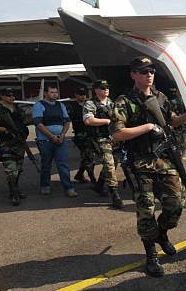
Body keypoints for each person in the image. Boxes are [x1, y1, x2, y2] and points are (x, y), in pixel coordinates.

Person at [110, 56, 186, 277]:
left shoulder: (160, 97)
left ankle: (162, 233)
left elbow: (172, 121)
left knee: (176, 203)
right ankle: (151, 255)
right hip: (141, 162)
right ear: (133, 74)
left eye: (152, 71)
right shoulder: (124, 101)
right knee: (146, 211)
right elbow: (117, 134)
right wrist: (146, 127)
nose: (149, 75)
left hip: (164, 160)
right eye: (143, 71)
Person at [0, 87, 30, 206]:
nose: (12, 97)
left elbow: (24, 124)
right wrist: (2, 129)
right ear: (2, 97)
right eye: (8, 95)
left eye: (13, 95)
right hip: (6, 144)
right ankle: (14, 194)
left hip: (19, 144)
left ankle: (15, 189)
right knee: (11, 171)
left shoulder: (19, 110)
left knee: (18, 170)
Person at [84, 80, 123, 209]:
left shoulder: (113, 103)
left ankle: (99, 185)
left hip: (115, 138)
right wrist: (107, 121)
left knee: (114, 162)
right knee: (109, 164)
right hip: (101, 138)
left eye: (107, 87)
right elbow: (88, 120)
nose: (106, 89)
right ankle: (115, 195)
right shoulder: (91, 104)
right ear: (96, 90)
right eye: (102, 87)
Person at [32, 86, 77, 197]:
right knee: (46, 164)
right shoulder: (39, 105)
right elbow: (38, 123)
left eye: (56, 92)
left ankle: (68, 188)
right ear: (46, 93)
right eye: (52, 92)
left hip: (60, 140)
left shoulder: (60, 105)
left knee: (63, 164)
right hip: (45, 141)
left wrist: (62, 135)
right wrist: (52, 136)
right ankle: (45, 186)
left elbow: (67, 122)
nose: (55, 94)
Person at [66, 87, 96, 183]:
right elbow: (69, 118)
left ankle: (79, 175)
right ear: (76, 95)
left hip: (90, 134)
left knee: (87, 156)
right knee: (88, 157)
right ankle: (93, 180)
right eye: (80, 94)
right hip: (80, 135)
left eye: (84, 94)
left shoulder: (89, 105)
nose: (83, 96)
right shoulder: (72, 107)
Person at [167, 86, 186, 156]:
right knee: (180, 148)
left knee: (181, 147)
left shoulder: (179, 101)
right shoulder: (179, 101)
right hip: (177, 128)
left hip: (179, 128)